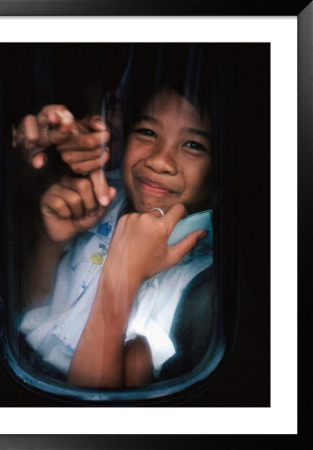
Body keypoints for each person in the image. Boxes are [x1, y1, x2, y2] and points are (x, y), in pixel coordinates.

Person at [18, 44, 231, 387]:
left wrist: (124, 274)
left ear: (220, 173)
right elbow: (34, 315)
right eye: (147, 132)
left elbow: (95, 401)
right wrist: (52, 241)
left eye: (193, 145)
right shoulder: (107, 197)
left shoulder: (195, 286)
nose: (160, 160)